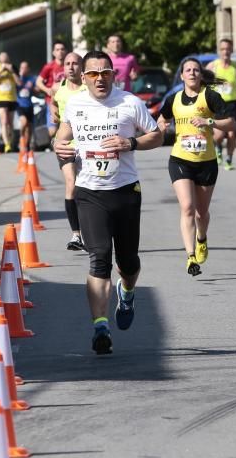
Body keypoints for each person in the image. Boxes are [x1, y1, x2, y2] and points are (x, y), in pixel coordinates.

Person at [54, 51, 163, 355]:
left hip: (126, 190)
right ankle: (100, 326)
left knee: (127, 261)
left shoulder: (129, 102)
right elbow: (62, 135)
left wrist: (131, 143)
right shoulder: (75, 103)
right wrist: (58, 144)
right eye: (93, 74)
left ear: (114, 75)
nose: (99, 79)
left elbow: (156, 136)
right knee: (99, 257)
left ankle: (126, 293)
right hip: (89, 192)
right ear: (83, 78)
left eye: (105, 73)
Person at [158, 57, 236, 276]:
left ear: (201, 75)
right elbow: (161, 119)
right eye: (188, 70)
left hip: (206, 162)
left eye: (196, 70)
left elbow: (231, 123)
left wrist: (209, 122)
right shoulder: (173, 99)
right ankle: (191, 256)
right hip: (180, 160)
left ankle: (202, 238)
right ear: (182, 76)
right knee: (187, 208)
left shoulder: (210, 96)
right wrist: (163, 126)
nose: (192, 73)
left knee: (202, 213)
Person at [49, 51, 86, 251]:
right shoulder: (58, 88)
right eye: (67, 63)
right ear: (63, 67)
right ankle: (76, 235)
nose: (71, 67)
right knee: (71, 183)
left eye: (75, 63)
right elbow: (53, 103)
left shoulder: (88, 89)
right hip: (65, 145)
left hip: (88, 145)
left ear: (81, 67)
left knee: (86, 186)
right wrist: (53, 115)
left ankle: (91, 229)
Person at [207, 38, 236, 171]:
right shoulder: (212, 66)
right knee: (219, 135)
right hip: (217, 104)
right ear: (219, 51)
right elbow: (202, 80)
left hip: (232, 105)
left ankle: (229, 159)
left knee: (232, 134)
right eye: (223, 49)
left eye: (228, 49)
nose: (225, 51)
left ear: (231, 50)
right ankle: (218, 147)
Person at [36, 41, 69, 133]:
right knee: (52, 131)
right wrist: (47, 90)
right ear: (53, 52)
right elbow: (38, 82)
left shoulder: (69, 65)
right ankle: (55, 144)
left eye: (62, 49)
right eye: (57, 50)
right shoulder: (49, 66)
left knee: (67, 128)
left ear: (66, 51)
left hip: (67, 100)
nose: (60, 52)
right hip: (52, 100)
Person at [0, 52, 19, 152]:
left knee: (10, 123)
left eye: (5, 57)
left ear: (8, 58)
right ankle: (6, 144)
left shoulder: (13, 67)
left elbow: (19, 82)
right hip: (1, 99)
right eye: (2, 57)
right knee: (4, 121)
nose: (4, 58)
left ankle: (10, 143)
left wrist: (12, 71)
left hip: (11, 98)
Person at [16, 61, 37, 150]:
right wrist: (20, 76)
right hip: (20, 105)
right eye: (22, 67)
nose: (23, 69)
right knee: (24, 122)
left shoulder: (32, 79)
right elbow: (17, 84)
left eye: (25, 67)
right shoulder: (17, 78)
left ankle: (26, 144)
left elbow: (36, 90)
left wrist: (35, 88)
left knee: (29, 127)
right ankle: (20, 138)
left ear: (28, 69)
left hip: (29, 105)